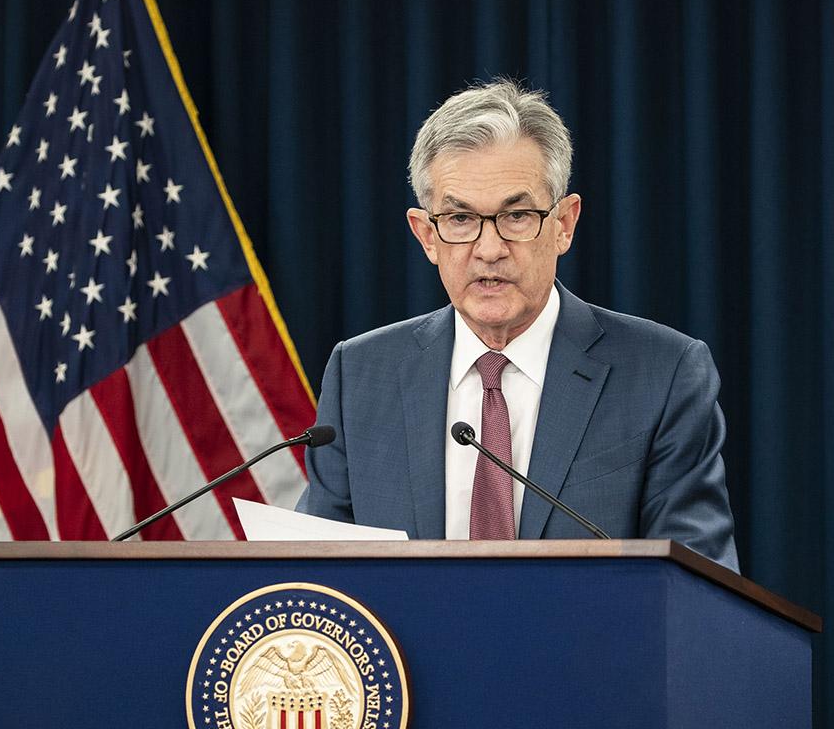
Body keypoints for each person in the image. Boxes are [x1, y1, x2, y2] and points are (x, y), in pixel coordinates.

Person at [296, 79, 740, 571]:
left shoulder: (663, 374)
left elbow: (699, 585)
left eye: (518, 215)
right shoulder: (360, 374)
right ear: (426, 236)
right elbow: (317, 575)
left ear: (564, 224)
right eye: (460, 219)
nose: (489, 249)